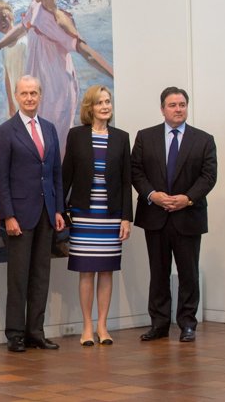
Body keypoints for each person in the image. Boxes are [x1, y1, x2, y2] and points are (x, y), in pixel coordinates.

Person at [0, 0, 114, 157]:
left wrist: (113, 73)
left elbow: (86, 52)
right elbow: (21, 28)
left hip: (57, 91)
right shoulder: (35, 7)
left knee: (55, 147)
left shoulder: (59, 21)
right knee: (35, 143)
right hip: (40, 86)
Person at [131, 87, 217, 343]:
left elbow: (208, 176)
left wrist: (187, 199)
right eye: (172, 105)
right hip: (155, 215)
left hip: (188, 216)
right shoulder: (145, 137)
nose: (178, 109)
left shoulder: (204, 140)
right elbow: (136, 171)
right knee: (158, 273)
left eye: (182, 105)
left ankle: (188, 324)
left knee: (188, 273)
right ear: (162, 109)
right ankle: (159, 324)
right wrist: (152, 195)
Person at [0, 75, 65, 352]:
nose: (30, 98)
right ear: (16, 95)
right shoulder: (5, 131)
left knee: (41, 275)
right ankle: (15, 334)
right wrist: (8, 215)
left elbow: (55, 173)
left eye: (34, 93)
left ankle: (36, 331)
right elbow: (0, 178)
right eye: (24, 93)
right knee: (18, 278)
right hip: (19, 217)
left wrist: (58, 209)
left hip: (46, 213)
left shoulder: (49, 128)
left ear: (40, 95)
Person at [62, 85, 133, 346]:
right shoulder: (76, 135)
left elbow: (126, 181)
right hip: (83, 214)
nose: (105, 106)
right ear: (89, 107)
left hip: (110, 215)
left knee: (106, 271)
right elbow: (66, 176)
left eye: (108, 101)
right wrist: (61, 212)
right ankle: (87, 327)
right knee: (86, 271)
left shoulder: (122, 137)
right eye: (99, 102)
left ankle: (103, 326)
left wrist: (126, 218)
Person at [0, 0, 28, 118]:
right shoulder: (4, 48)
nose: (2, 23)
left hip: (30, 88)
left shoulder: (25, 36)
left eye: (4, 18)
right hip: (16, 93)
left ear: (11, 16)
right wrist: (11, 103)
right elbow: (7, 77)